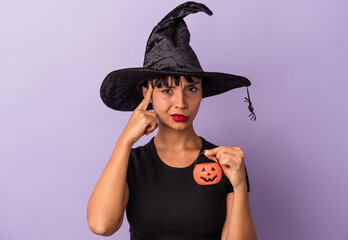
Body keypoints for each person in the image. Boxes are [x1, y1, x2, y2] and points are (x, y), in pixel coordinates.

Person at [87, 2, 257, 239]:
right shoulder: (131, 163)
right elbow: (101, 225)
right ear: (148, 92)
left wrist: (240, 187)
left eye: (191, 89)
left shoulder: (226, 163)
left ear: (201, 92)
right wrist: (124, 141)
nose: (181, 103)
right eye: (167, 90)